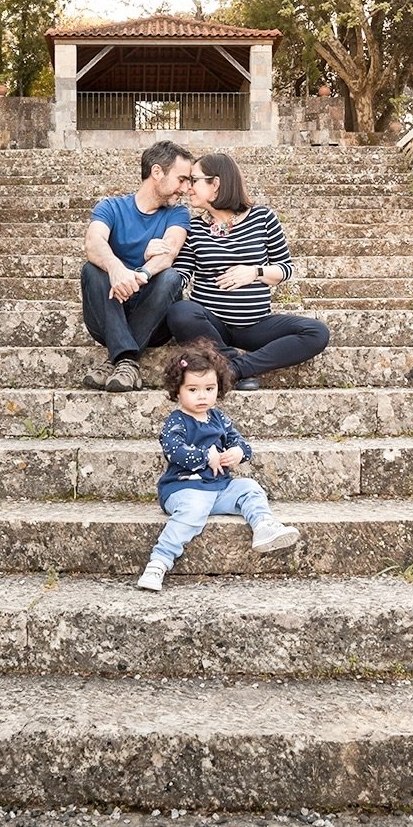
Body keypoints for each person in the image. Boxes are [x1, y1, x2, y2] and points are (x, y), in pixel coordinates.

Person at [136, 339, 301, 592]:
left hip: (220, 488)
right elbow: (174, 451)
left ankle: (263, 526)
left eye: (209, 388)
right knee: (193, 510)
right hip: (183, 490)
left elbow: (242, 444)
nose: (202, 396)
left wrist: (237, 452)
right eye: (193, 389)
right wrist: (204, 456)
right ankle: (159, 561)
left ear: (219, 388)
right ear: (177, 390)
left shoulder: (219, 418)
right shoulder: (176, 422)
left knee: (249, 487)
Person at [165, 151, 329, 391]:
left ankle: (235, 368)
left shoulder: (263, 218)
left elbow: (285, 268)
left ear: (216, 184)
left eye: (195, 180)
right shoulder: (194, 227)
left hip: (254, 326)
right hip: (210, 325)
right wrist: (161, 257)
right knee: (180, 311)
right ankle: (228, 360)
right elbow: (181, 275)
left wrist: (255, 272)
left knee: (316, 332)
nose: (188, 188)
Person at [81, 139, 193, 393]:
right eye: (182, 179)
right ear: (157, 172)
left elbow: (169, 252)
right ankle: (127, 361)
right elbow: (93, 241)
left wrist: (141, 273)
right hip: (109, 313)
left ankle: (117, 359)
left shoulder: (177, 214)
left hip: (156, 319)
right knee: (92, 269)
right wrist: (116, 269)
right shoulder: (111, 207)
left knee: (171, 277)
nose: (186, 188)